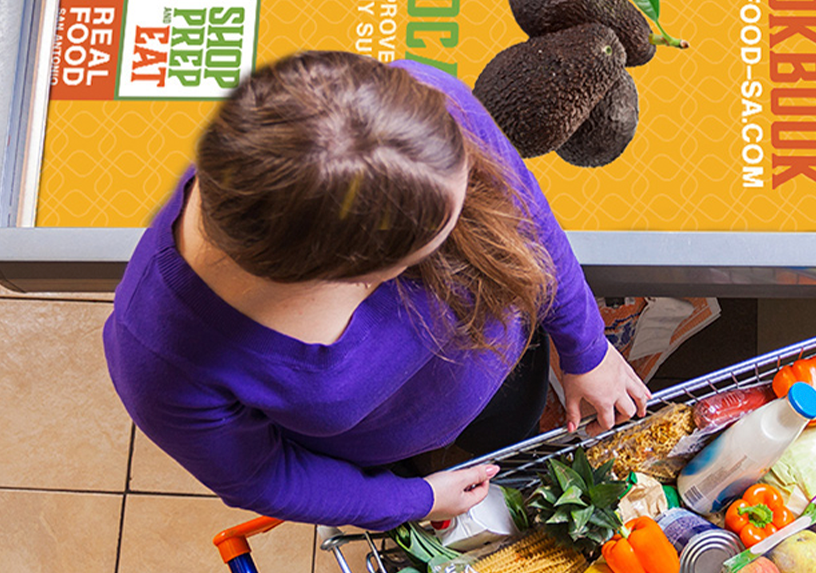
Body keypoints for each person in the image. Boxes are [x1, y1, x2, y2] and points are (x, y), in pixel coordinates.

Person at [104, 50, 650, 531]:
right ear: (357, 277)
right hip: (385, 451)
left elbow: (526, 216)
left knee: (513, 420)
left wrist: (586, 346)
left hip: (506, 367)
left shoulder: (413, 109)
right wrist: (413, 498)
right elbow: (262, 475)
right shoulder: (160, 365)